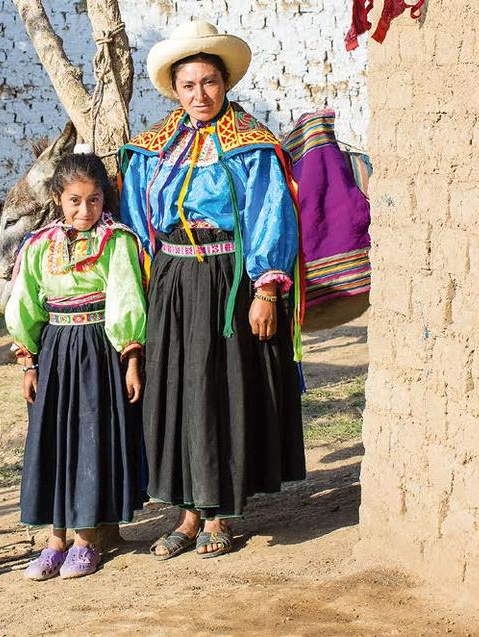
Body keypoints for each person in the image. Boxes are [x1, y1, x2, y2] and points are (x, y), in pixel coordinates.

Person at [119, 21, 306, 560]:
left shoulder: (252, 146)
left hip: (228, 280)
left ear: (225, 84)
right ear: (174, 90)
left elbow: (270, 214)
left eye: (209, 83)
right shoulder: (151, 148)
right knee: (177, 391)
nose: (199, 95)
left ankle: (221, 514)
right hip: (172, 283)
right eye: (188, 85)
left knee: (222, 391)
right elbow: (135, 225)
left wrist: (266, 290)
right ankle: (185, 513)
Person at [5, 147, 147, 580]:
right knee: (55, 440)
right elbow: (25, 303)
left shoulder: (117, 241)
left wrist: (131, 359)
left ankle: (86, 542)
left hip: (99, 350)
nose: (84, 210)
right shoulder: (37, 246)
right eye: (74, 201)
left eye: (94, 200)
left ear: (104, 198)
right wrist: (29, 361)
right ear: (58, 199)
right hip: (54, 351)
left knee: (90, 439)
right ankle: (54, 541)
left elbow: (126, 297)